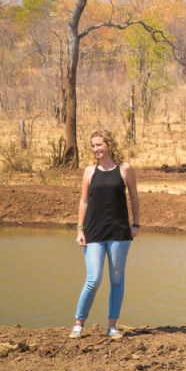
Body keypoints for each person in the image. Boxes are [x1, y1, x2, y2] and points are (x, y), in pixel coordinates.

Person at [70, 129, 141, 339]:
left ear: (108, 144)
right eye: (92, 146)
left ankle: (112, 326)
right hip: (93, 231)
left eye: (99, 144)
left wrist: (136, 224)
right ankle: (78, 323)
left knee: (117, 279)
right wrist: (80, 230)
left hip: (119, 231)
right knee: (93, 279)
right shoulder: (89, 172)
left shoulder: (125, 168)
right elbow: (84, 201)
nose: (95, 149)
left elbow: (134, 198)